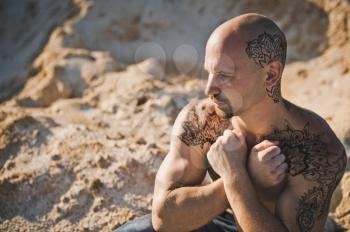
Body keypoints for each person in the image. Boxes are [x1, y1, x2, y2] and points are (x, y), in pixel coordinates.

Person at [115, 13, 347, 232]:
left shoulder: (317, 150)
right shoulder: (202, 121)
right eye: (209, 73)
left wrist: (236, 174)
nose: (209, 89)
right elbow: (163, 219)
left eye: (224, 76)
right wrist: (241, 177)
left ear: (270, 74)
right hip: (227, 221)